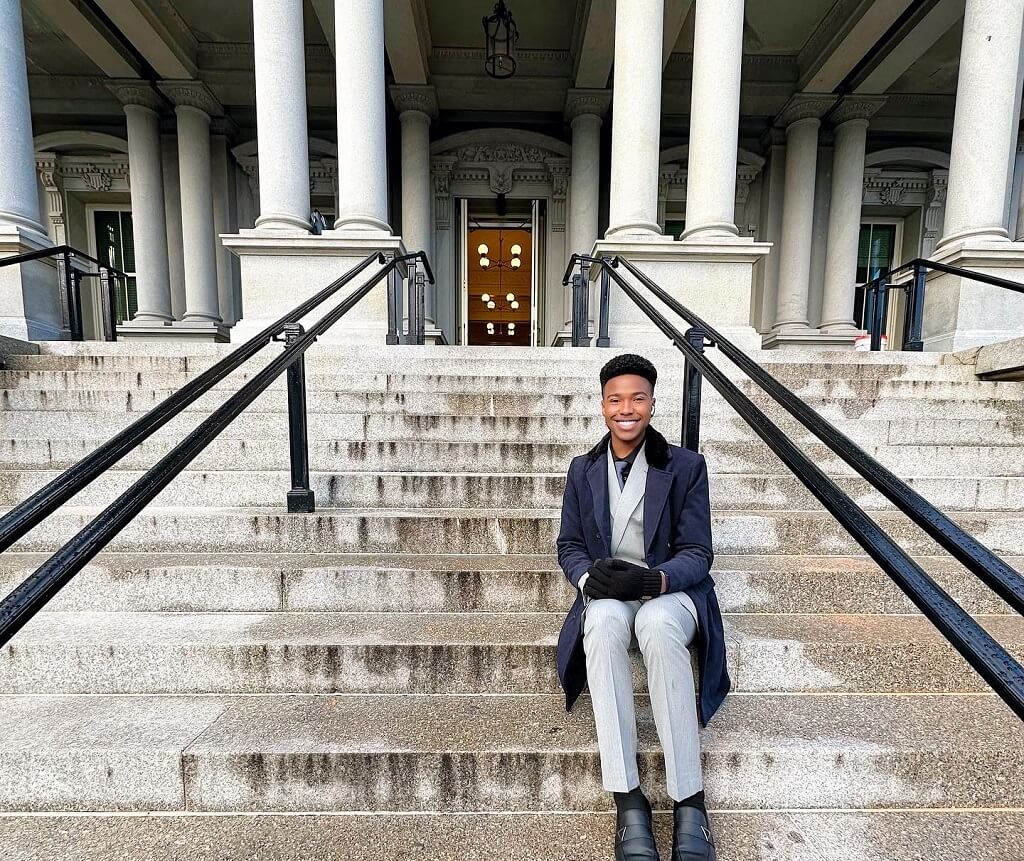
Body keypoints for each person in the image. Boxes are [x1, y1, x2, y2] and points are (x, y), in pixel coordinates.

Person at [555, 353, 729, 861]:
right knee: (604, 621)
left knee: (654, 623)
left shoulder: (686, 466)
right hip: (611, 592)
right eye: (615, 399)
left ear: (652, 405)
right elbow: (569, 545)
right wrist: (589, 577)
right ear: (603, 405)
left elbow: (699, 553)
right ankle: (628, 799)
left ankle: (689, 800)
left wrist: (656, 579)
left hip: (669, 594)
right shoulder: (582, 469)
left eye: (637, 398)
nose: (625, 408)